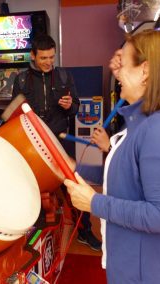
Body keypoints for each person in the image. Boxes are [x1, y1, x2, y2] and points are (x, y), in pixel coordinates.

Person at [64, 30, 160, 283]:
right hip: (133, 263)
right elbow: (126, 177)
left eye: (122, 64)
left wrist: (95, 203)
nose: (117, 74)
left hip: (151, 271)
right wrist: (75, 168)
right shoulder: (141, 120)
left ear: (145, 71)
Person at [11, 34, 101, 251]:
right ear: (33, 56)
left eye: (52, 57)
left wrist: (70, 105)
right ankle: (33, 233)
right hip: (32, 145)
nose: (48, 62)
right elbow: (13, 112)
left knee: (74, 186)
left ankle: (85, 231)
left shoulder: (63, 76)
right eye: (43, 58)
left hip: (59, 142)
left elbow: (76, 107)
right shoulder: (21, 79)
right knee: (32, 188)